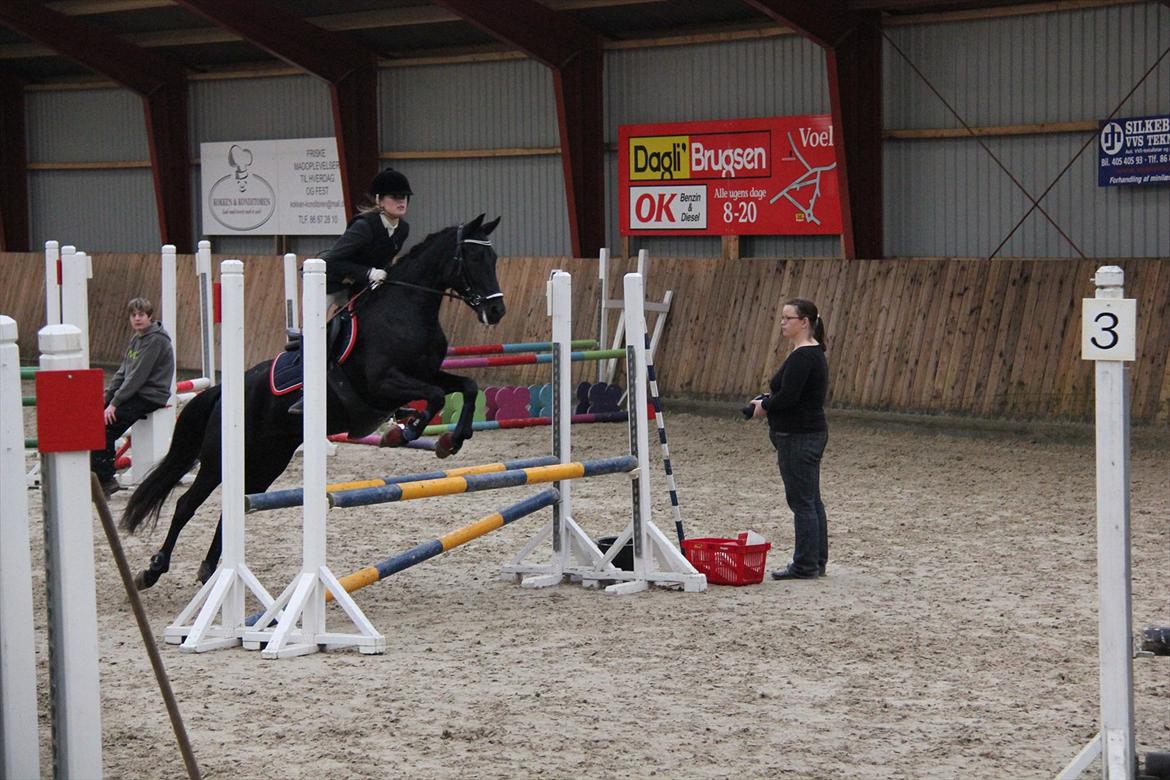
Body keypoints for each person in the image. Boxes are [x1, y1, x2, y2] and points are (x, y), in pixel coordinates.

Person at [748, 298, 829, 580]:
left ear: (804, 322)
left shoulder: (803, 356)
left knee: (802, 502)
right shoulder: (811, 353)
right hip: (807, 433)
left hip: (798, 435)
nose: (783, 323)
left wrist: (765, 405)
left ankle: (806, 564)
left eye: (788, 318)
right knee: (811, 500)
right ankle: (815, 561)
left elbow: (790, 397)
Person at [92, 297, 175, 497]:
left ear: (150, 317)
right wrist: (107, 398)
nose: (137, 319)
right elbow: (123, 371)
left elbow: (138, 376)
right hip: (138, 392)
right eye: (134, 315)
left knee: (107, 427)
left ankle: (106, 479)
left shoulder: (156, 340)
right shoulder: (137, 338)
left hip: (151, 394)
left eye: (141, 315)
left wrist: (114, 403)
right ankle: (97, 474)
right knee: (96, 417)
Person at [321, 167, 413, 312]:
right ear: (379, 200)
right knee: (314, 322)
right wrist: (368, 273)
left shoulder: (403, 229)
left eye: (405, 197)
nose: (401, 202)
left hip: (360, 286)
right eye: (395, 197)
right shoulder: (364, 227)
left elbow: (384, 260)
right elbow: (331, 261)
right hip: (331, 283)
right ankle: (304, 334)